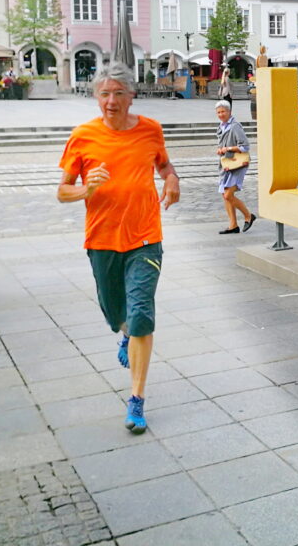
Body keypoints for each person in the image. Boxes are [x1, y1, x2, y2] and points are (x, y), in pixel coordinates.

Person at [57, 62, 180, 434]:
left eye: (118, 93)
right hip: (102, 240)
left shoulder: (150, 130)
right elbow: (62, 191)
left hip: (145, 237)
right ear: (97, 97)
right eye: (104, 94)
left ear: (132, 96)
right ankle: (124, 331)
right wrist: (87, 188)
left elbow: (165, 166)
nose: (111, 101)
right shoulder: (83, 136)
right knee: (117, 314)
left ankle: (136, 399)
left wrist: (172, 180)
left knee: (141, 314)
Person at [215, 99, 256, 234]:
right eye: (218, 112)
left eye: (223, 111)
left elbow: (245, 146)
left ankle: (248, 216)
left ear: (229, 112)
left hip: (238, 164)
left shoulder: (235, 126)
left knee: (228, 195)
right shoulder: (221, 126)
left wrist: (228, 148)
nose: (221, 114)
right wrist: (220, 150)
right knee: (224, 194)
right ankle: (233, 225)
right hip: (227, 164)